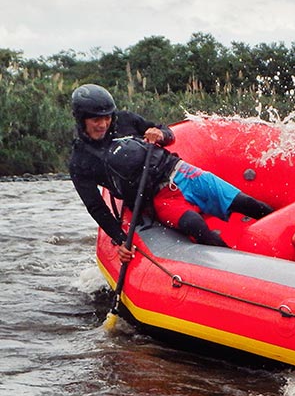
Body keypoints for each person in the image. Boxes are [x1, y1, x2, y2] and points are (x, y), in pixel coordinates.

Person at [68, 84, 273, 262]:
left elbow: (167, 133)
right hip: (155, 198)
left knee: (249, 204)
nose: (103, 124)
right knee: (195, 225)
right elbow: (96, 207)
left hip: (179, 172)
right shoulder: (81, 162)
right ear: (81, 120)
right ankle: (234, 266)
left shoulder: (124, 120)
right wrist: (120, 240)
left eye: (106, 118)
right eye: (96, 120)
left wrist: (161, 133)